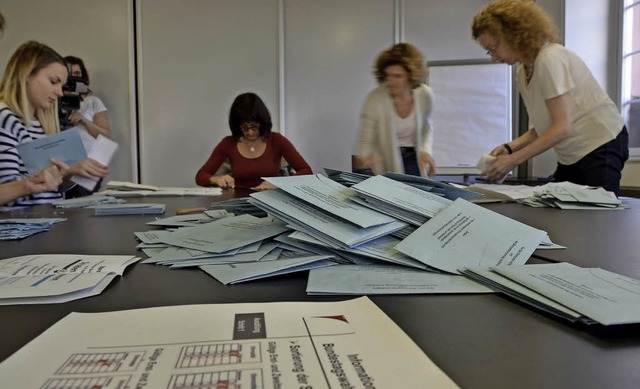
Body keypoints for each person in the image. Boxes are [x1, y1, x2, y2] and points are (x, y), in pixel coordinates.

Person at [472, 0, 628, 195]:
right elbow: (545, 126)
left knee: (596, 216)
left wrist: (513, 160)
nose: (493, 57)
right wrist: (510, 148)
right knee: (560, 209)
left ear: (514, 34)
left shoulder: (550, 58)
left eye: (494, 48)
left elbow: (562, 127)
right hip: (571, 154)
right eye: (489, 51)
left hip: (600, 143)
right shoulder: (522, 73)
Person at [0, 41, 109, 210]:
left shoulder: (39, 124)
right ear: (27, 73)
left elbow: (48, 190)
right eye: (53, 81)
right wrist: (35, 182)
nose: (59, 92)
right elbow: (9, 190)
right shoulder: (5, 119)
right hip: (21, 228)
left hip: (44, 221)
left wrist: (69, 172)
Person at [196, 92, 312, 190]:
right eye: (245, 127)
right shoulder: (228, 143)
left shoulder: (276, 140)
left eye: (254, 126)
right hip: (239, 202)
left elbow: (306, 171)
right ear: (237, 126)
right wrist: (215, 179)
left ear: (262, 123)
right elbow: (201, 176)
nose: (250, 132)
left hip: (271, 201)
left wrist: (280, 184)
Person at [354, 42, 436, 177]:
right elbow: (366, 135)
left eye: (397, 76)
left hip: (414, 159)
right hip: (386, 159)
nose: (391, 82)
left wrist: (426, 151)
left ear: (411, 76)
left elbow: (427, 128)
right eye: (388, 75)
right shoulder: (375, 98)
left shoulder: (424, 95)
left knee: (416, 196)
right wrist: (363, 156)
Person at [63, 56, 111, 151]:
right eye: (69, 74)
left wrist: (85, 121)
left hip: (89, 160)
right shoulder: (52, 102)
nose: (73, 78)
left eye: (77, 74)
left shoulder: (92, 101)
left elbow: (105, 136)